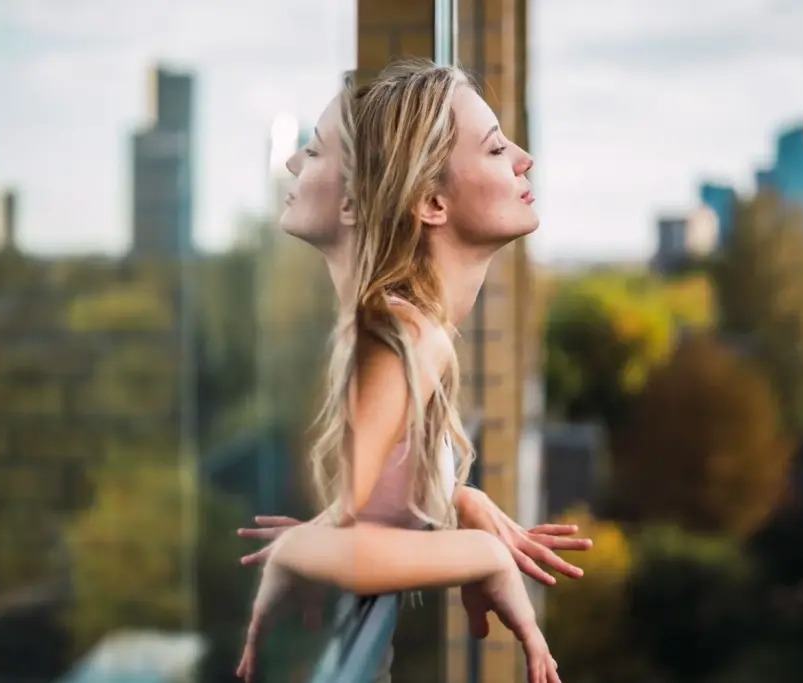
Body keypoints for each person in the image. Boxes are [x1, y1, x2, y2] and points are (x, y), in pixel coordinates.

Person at [238, 61, 574, 683]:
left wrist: (456, 501)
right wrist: (481, 557)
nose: (523, 159)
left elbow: (348, 520)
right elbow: (336, 539)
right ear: (431, 202)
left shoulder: (415, 331)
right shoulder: (407, 335)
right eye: (498, 147)